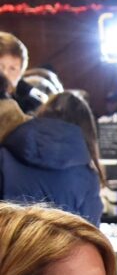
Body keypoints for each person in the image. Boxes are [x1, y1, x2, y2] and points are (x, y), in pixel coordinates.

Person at [0, 89, 104, 224]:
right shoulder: (88, 177)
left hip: (11, 243)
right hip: (64, 245)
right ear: (88, 129)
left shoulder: (5, 154)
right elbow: (91, 233)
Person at [0, 32, 44, 114]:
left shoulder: (30, 105)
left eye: (12, 69)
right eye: (0, 67)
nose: (5, 73)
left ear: (21, 73)